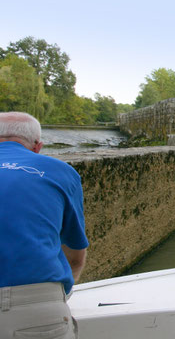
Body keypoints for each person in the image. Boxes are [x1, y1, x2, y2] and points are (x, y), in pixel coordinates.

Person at [0, 112, 88, 339]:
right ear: (38, 146)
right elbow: (75, 256)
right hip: (32, 305)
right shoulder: (61, 172)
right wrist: (56, 297)